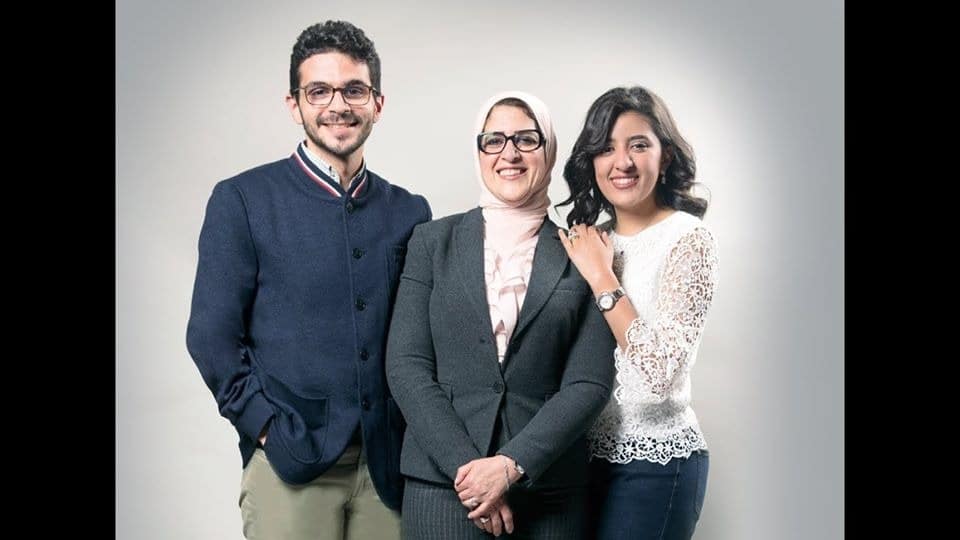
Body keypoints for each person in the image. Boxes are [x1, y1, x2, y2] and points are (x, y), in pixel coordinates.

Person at [185, 20, 431, 540]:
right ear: (294, 105)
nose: (338, 105)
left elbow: (419, 338)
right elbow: (211, 337)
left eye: (354, 90)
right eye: (319, 91)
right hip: (291, 465)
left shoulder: (410, 211)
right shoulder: (243, 200)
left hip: (389, 471)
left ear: (377, 104)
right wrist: (267, 429)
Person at [385, 91, 615, 539]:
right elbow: (406, 365)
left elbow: (589, 383)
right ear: (479, 151)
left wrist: (512, 466)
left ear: (549, 151)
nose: (509, 153)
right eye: (494, 140)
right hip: (443, 488)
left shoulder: (582, 252)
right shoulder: (431, 242)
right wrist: (470, 473)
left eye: (526, 139)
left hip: (549, 491)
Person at [557, 86, 718, 540]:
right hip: (581, 460)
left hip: (656, 465)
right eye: (606, 148)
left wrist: (602, 278)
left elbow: (657, 375)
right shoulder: (591, 240)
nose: (621, 162)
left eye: (639, 145)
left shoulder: (688, 239)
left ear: (665, 158)